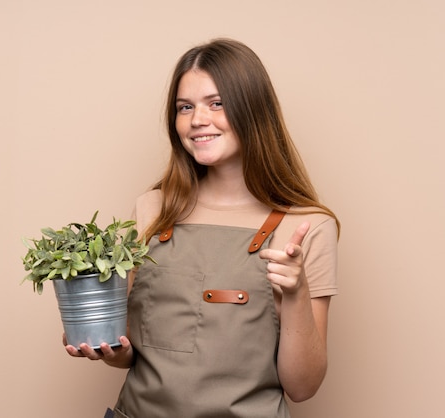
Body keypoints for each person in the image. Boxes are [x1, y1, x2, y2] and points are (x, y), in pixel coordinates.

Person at [65, 38, 340, 418]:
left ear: (253, 110)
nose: (197, 120)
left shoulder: (306, 226)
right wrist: (107, 345)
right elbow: (131, 355)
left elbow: (303, 386)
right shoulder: (151, 210)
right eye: (185, 107)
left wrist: (295, 292)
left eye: (217, 103)